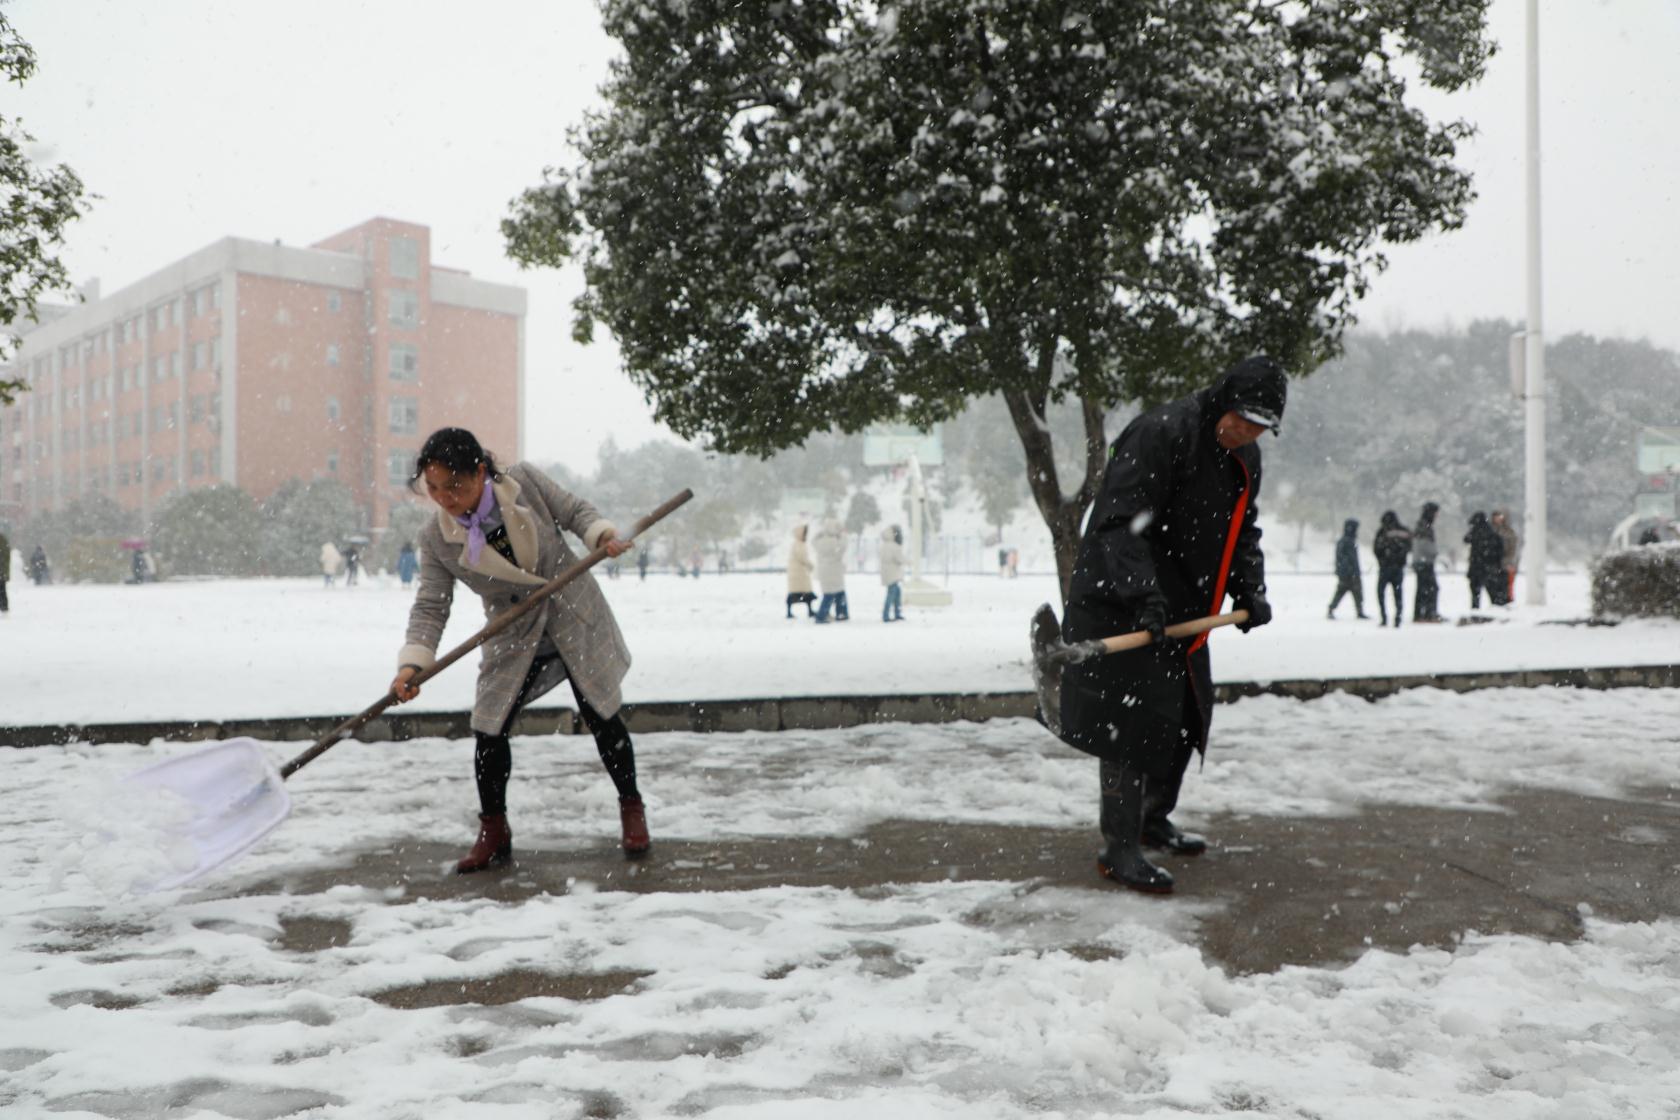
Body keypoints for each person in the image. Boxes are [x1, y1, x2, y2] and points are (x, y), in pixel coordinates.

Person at [1059, 355, 1284, 895]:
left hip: (1184, 613)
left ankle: (1153, 820)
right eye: (1241, 419)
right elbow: (1119, 522)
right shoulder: (1162, 433)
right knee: (1129, 730)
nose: (1247, 432)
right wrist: (1142, 595)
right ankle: (1119, 847)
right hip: (1123, 604)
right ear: (1222, 401)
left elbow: (1240, 529)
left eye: (1259, 426)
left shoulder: (1243, 457)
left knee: (1185, 717)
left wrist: (1249, 586)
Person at [387, 427, 648, 873]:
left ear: (481, 472)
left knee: (601, 713)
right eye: (433, 488)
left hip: (572, 611)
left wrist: (600, 534)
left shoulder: (525, 483)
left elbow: (575, 510)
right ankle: (494, 830)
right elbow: (432, 604)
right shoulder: (436, 537)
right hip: (514, 629)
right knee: (488, 727)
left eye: (456, 485)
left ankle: (631, 807)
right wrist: (413, 663)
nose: (445, 498)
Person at [1372, 511, 1412, 628]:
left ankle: (1384, 617)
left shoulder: (1382, 531)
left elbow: (1376, 549)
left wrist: (1382, 560)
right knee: (1398, 594)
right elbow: (1409, 546)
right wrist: (1400, 559)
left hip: (1385, 568)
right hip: (1398, 568)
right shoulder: (1403, 531)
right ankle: (1398, 618)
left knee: (1381, 593)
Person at [1326, 518, 1367, 620]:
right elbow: (1344, 558)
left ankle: (1358, 611)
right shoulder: (1346, 541)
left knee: (1348, 592)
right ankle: (1358, 611)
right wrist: (1350, 571)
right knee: (1346, 592)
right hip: (1348, 574)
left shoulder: (1347, 541)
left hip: (1349, 573)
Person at [812, 517, 849, 622]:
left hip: (824, 571)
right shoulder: (835, 542)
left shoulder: (820, 541)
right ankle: (825, 615)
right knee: (836, 593)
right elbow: (843, 546)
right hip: (834, 571)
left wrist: (821, 533)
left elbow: (813, 541)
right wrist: (843, 535)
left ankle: (839, 613)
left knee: (830, 593)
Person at [1464, 511, 1504, 609]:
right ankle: (1497, 611)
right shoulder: (1491, 532)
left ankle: (1475, 612)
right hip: (1489, 568)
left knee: (1475, 595)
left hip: (1476, 567)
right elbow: (1500, 548)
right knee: (1493, 594)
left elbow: (1466, 539)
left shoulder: (1474, 531)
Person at [1411, 502, 1443, 623]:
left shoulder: (1422, 525)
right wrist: (1434, 552)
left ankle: (1423, 613)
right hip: (1424, 562)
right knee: (1430, 588)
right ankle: (1428, 613)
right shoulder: (1424, 527)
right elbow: (1423, 544)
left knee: (1424, 588)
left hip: (1421, 561)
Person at [786, 524, 817, 619]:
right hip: (799, 574)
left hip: (797, 573)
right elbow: (802, 557)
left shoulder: (796, 543)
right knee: (805, 593)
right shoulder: (799, 544)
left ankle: (790, 611)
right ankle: (809, 611)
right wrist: (810, 565)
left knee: (797, 594)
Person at [1491, 510, 1520, 605]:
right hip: (1495, 563)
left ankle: (1507, 602)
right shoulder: (1492, 530)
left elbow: (1512, 548)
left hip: (1506, 563)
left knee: (1507, 586)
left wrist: (1508, 561)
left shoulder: (1508, 532)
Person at [879, 524, 906, 622]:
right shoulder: (894, 546)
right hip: (893, 574)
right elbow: (900, 559)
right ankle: (887, 615)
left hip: (887, 573)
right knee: (892, 595)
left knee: (896, 593)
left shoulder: (884, 546)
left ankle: (896, 613)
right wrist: (909, 561)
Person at [0, 530, 10, 615]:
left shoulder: (2, 540)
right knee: (2, 590)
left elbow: (5, 557)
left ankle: (4, 608)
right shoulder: (3, 540)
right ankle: (4, 607)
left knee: (2, 590)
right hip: (2, 571)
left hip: (1, 571)